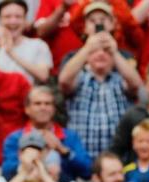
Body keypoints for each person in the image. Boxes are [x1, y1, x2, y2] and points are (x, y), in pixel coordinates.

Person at [58, 15, 143, 161]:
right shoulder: (79, 78)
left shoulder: (120, 79)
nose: (100, 54)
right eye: (95, 51)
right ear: (86, 57)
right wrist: (87, 47)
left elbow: (136, 84)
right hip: (81, 162)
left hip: (118, 162)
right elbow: (64, 81)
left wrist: (114, 51)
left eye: (105, 51)